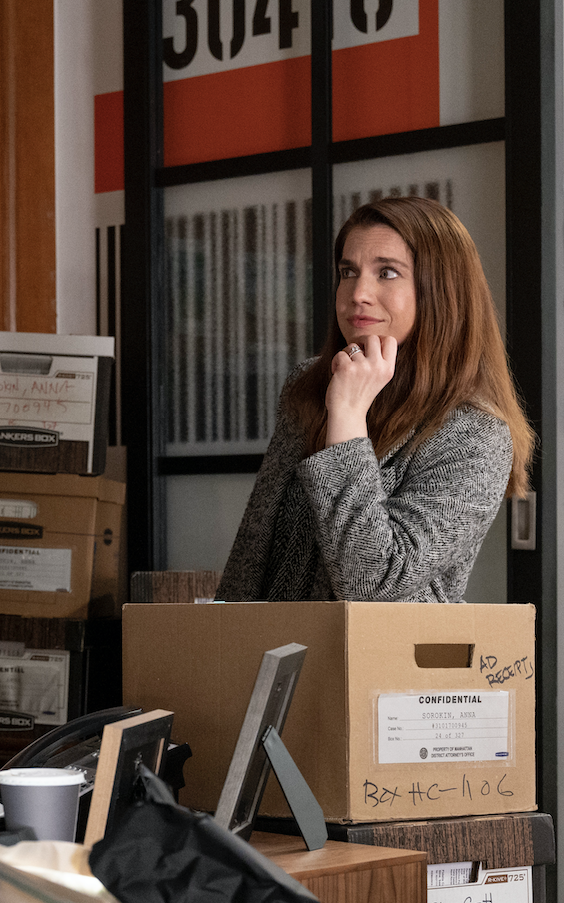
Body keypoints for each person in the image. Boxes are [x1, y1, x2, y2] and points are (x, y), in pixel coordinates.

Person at [216, 196, 534, 603]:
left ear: (441, 289)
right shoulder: (311, 384)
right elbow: (255, 549)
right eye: (348, 272)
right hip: (279, 656)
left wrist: (347, 415)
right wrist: (223, 650)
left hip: (383, 663)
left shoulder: (476, 433)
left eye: (387, 272)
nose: (358, 293)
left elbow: (373, 583)